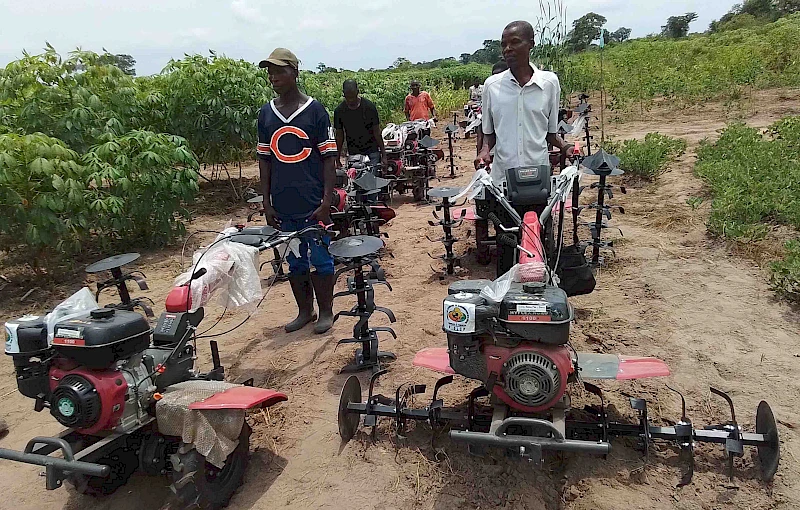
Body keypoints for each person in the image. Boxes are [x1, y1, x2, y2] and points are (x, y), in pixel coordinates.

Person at [257, 47, 337, 334]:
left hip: (313, 201)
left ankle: (326, 312)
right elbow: (264, 161)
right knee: (293, 261)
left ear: (295, 72)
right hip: (283, 203)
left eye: (280, 71)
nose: (273, 77)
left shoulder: (315, 111)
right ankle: (305, 310)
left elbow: (329, 158)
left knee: (321, 259)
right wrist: (266, 202)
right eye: (270, 72)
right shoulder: (266, 114)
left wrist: (327, 199)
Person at [475, 21, 572, 182]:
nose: (507, 49)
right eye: (504, 45)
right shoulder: (492, 86)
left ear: (531, 44)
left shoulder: (549, 83)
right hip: (503, 177)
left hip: (538, 175)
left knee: (538, 208)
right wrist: (484, 152)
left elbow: (551, 134)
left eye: (515, 42)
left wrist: (565, 146)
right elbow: (489, 135)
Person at [334, 79, 387, 172]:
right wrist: (337, 158)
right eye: (348, 97)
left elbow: (377, 132)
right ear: (344, 94)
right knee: (355, 180)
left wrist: (384, 155)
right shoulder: (339, 111)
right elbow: (339, 136)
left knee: (372, 182)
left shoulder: (369, 107)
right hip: (353, 153)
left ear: (357, 92)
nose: (350, 100)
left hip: (372, 151)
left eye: (353, 97)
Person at [476, 61, 509, 155]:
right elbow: (484, 133)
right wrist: (481, 153)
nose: (497, 78)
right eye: (494, 75)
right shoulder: (490, 89)